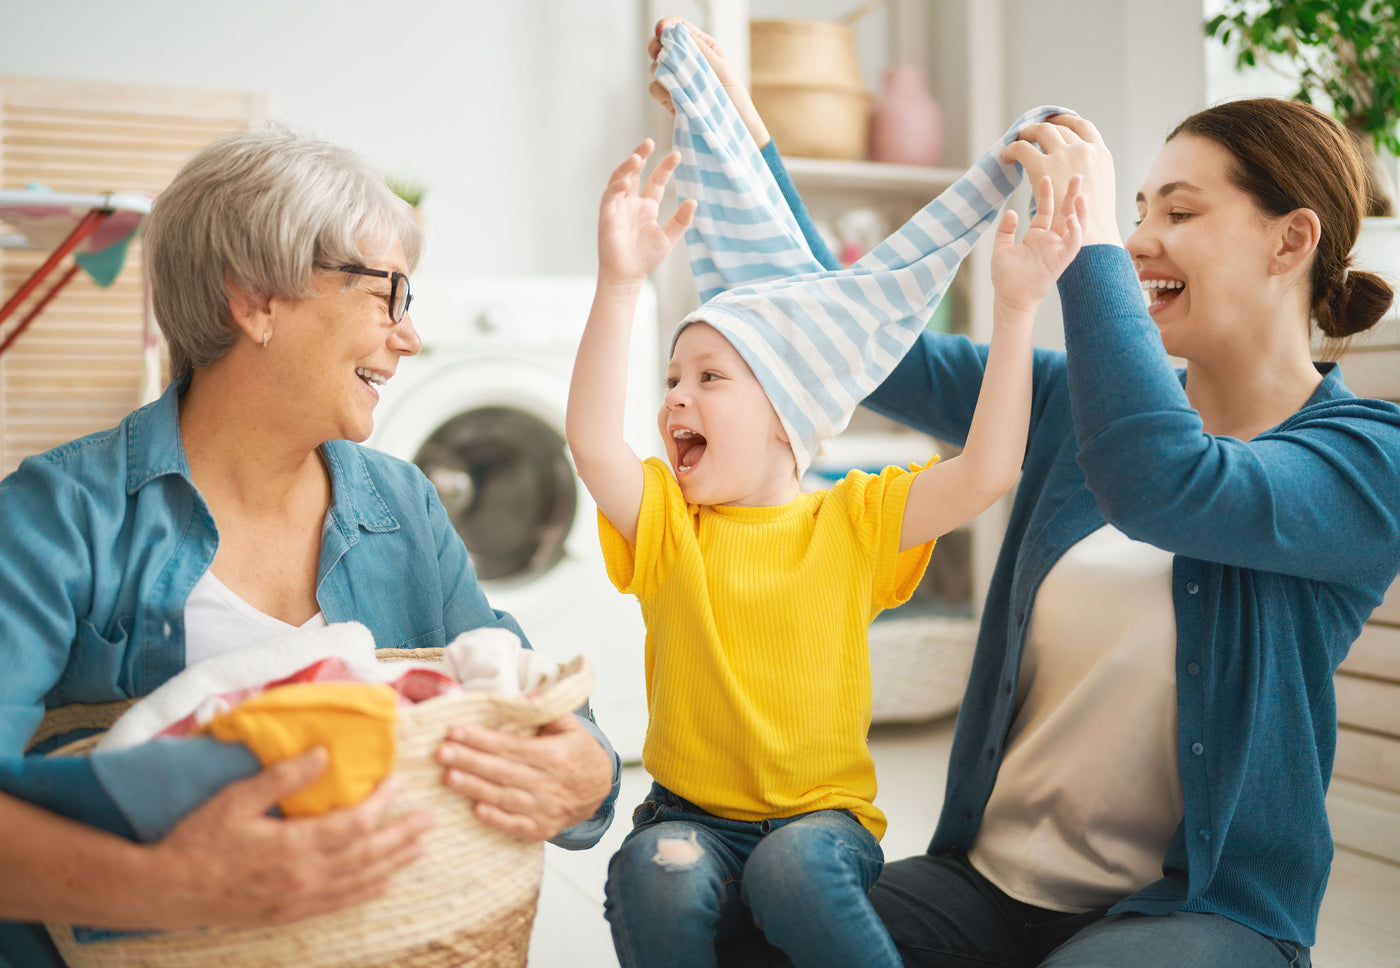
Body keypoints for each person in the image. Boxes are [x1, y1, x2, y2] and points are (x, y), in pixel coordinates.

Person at [647, 18, 1400, 968]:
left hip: (1203, 910)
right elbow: (856, 344)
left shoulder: (1369, 458)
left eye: (1179, 212)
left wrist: (1083, 256)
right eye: (1131, 211)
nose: (1134, 239)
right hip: (988, 886)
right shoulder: (1063, 402)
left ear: (1291, 241)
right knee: (739, 934)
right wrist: (740, 137)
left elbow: (1166, 483)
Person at [0, 127, 619, 968]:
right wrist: (171, 889)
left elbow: (529, 692)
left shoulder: (402, 507)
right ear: (255, 298)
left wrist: (586, 776)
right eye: (388, 295)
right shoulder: (60, 514)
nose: (408, 337)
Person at [566, 49, 1086, 957]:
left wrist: (1014, 314)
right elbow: (592, 441)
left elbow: (987, 469)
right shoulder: (667, 526)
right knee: (658, 870)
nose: (675, 396)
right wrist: (619, 286)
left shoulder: (851, 521)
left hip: (821, 819)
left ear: (786, 417)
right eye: (672, 377)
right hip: (684, 813)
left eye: (710, 377)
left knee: (793, 870)